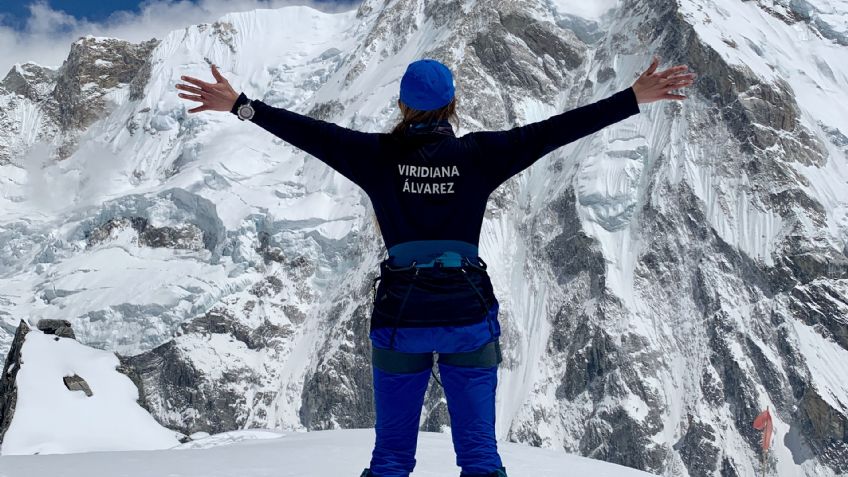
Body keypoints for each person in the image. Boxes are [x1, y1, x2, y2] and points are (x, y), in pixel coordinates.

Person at [177, 55, 695, 477]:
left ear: (402, 105)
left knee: (391, 460)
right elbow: (554, 131)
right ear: (452, 105)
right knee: (480, 459)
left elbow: (311, 133)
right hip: (467, 319)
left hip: (400, 320)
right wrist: (633, 97)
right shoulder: (481, 155)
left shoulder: (374, 155)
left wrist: (242, 106)